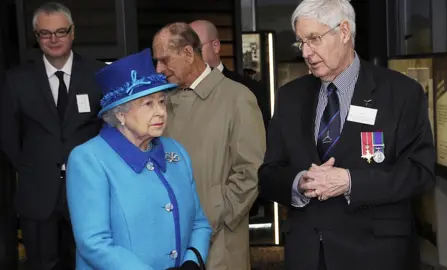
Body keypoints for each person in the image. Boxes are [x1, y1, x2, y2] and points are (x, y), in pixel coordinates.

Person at [257, 0, 436, 270]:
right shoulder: (289, 96)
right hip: (308, 254)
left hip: (377, 254)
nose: (306, 52)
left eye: (314, 39)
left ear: (343, 32)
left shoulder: (401, 93)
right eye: (300, 42)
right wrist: (298, 183)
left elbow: (420, 172)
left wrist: (351, 181)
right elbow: (268, 173)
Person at [66, 48, 212, 270]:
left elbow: (200, 224)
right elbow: (93, 244)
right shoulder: (88, 159)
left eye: (162, 101)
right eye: (148, 104)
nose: (161, 112)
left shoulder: (177, 152)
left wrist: (191, 263)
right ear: (120, 114)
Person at [0, 2, 105, 269]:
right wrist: (35, 166)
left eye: (60, 31)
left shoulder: (98, 74)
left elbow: (109, 128)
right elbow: (9, 137)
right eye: (45, 33)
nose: (54, 39)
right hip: (37, 195)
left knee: (89, 263)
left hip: (88, 193)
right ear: (37, 37)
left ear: (73, 32)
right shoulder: (16, 80)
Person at [153, 22, 266, 270]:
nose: (159, 69)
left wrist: (215, 216)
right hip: (171, 242)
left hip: (220, 243)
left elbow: (251, 171)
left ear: (187, 53)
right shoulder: (162, 101)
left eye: (164, 60)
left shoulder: (237, 97)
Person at [189, 20, 270, 128]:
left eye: (197, 49)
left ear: (215, 46)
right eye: (186, 50)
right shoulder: (180, 92)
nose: (190, 56)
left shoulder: (248, 88)